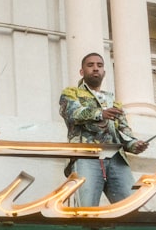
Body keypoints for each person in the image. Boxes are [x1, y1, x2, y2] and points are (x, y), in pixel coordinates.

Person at [59, 52, 149, 206]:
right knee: (86, 210)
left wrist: (135, 145)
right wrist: (100, 114)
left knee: (131, 208)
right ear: (82, 71)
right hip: (86, 157)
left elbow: (124, 131)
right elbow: (72, 113)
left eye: (99, 65)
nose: (95, 68)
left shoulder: (113, 101)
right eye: (90, 65)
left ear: (104, 72)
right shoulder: (71, 92)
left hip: (116, 159)